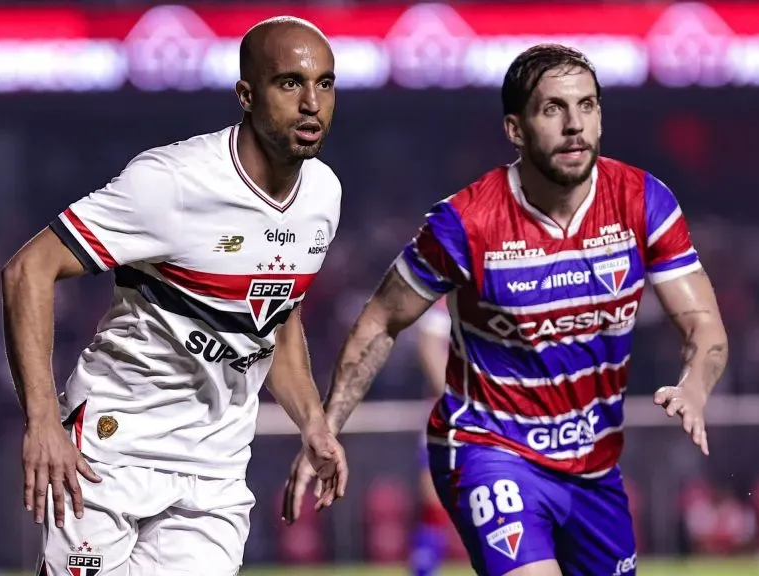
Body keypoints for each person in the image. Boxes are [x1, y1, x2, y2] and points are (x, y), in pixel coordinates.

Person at [283, 43, 729, 576]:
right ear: (515, 129)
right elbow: (383, 319)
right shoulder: (466, 223)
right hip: (487, 447)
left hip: (592, 467)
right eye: (552, 109)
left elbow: (704, 325)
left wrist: (695, 386)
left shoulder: (643, 201)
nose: (573, 125)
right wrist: (325, 427)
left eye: (587, 106)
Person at [2, 16, 347, 576]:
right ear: (246, 94)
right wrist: (42, 421)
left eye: (325, 84)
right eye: (289, 83)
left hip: (215, 470)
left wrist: (312, 421)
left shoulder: (323, 194)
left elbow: (275, 319)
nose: (312, 102)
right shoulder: (173, 182)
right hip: (112, 453)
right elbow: (27, 271)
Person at [410, 298, 455, 576]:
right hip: (447, 412)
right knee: (433, 498)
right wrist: (455, 399)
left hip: (496, 414)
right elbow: (428, 345)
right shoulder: (446, 298)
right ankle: (425, 570)